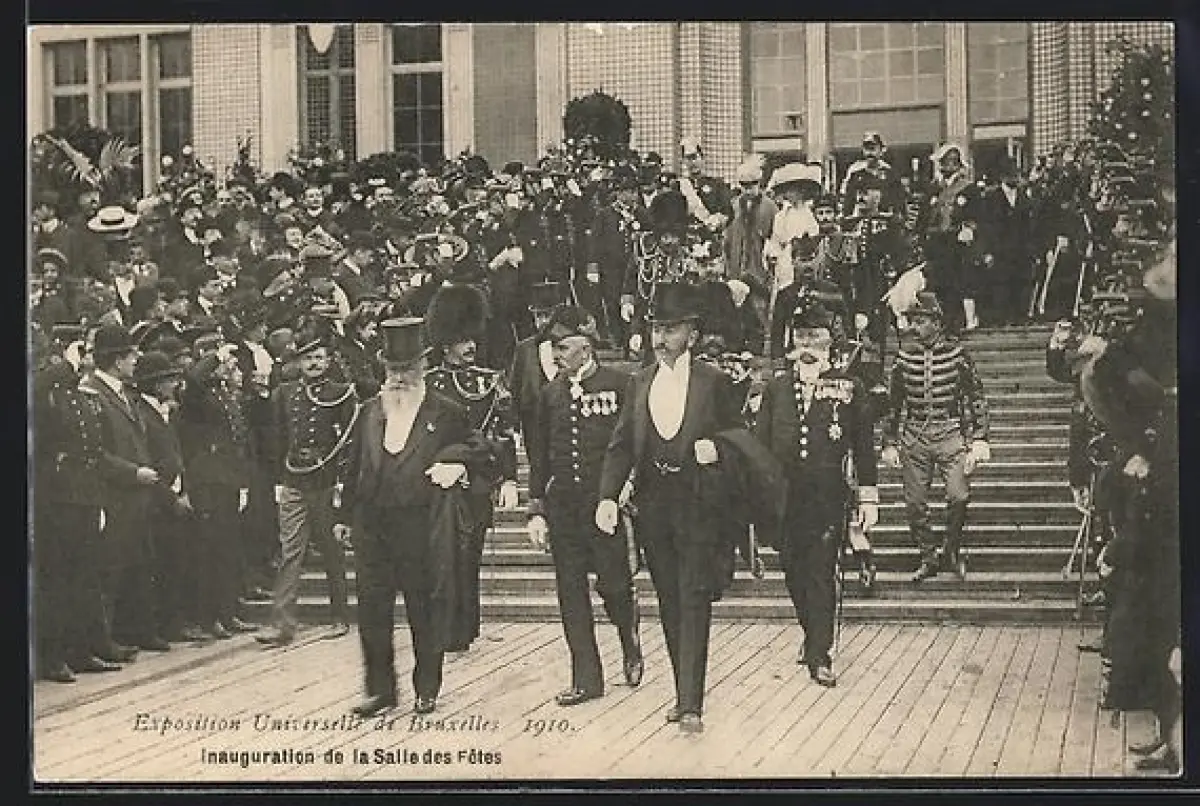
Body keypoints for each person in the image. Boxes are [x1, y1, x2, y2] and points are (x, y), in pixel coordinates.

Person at [595, 283, 742, 733]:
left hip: (698, 506)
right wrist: (607, 495)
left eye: (671, 330)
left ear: (692, 334)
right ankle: (683, 692)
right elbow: (621, 444)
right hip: (654, 507)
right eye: (657, 329)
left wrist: (717, 450)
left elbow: (740, 438)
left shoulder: (715, 382)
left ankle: (692, 703)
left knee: (694, 597)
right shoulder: (639, 382)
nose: (661, 339)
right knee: (669, 601)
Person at [336, 318, 486, 718]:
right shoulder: (369, 411)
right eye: (392, 370)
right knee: (372, 610)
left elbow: (479, 448)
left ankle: (426, 687)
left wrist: (455, 462)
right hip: (372, 525)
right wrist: (344, 516)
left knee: (424, 608)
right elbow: (354, 465)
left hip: (421, 525)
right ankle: (380, 690)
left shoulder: (446, 411)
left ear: (423, 366)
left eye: (407, 369)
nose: (399, 378)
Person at [752, 302, 878, 686]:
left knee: (822, 571)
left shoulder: (849, 387)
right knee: (794, 571)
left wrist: (868, 497)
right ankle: (811, 634)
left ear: (829, 341)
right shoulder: (776, 388)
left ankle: (820, 654)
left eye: (815, 337)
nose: (807, 345)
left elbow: (863, 445)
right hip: (785, 499)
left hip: (827, 498)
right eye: (802, 336)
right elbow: (759, 445)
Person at [526, 305, 644, 706]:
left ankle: (628, 636)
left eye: (563, 347)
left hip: (603, 505)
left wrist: (626, 488)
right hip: (565, 508)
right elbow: (540, 456)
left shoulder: (620, 384)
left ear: (586, 347)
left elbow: (633, 444)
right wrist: (536, 509)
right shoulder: (549, 395)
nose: (556, 355)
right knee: (570, 591)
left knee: (614, 585)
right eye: (554, 348)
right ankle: (586, 679)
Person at [423, 284, 520, 658]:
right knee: (439, 559)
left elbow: (503, 434)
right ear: (446, 342)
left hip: (476, 481)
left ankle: (463, 627)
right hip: (436, 484)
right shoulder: (429, 383)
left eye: (472, 339)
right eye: (462, 340)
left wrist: (508, 477)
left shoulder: (488, 381)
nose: (470, 346)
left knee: (468, 556)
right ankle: (444, 628)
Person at [880, 292, 991, 582]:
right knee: (915, 503)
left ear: (937, 323)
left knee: (958, 495)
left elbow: (976, 396)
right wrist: (889, 441)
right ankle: (928, 556)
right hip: (915, 436)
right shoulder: (904, 357)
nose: (915, 327)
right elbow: (893, 404)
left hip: (950, 433)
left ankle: (951, 550)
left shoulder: (957, 354)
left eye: (921, 321)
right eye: (913, 321)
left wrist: (980, 437)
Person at [256, 337, 358, 647]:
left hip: (325, 481)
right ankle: (282, 624)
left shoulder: (341, 394)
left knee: (331, 549)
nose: (313, 364)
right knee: (290, 551)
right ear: (299, 362)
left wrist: (343, 482)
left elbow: (350, 443)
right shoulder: (284, 394)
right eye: (307, 358)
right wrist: (278, 479)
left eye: (318, 358)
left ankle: (339, 616)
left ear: (328, 361)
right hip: (293, 479)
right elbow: (276, 439)